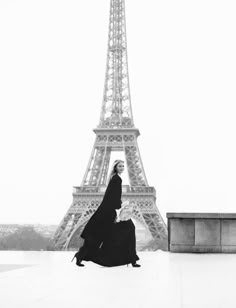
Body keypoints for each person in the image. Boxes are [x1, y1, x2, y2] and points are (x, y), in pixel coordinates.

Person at [71, 159, 124, 267]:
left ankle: (81, 254)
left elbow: (110, 195)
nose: (122, 168)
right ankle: (117, 257)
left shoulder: (114, 178)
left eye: (123, 166)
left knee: (95, 235)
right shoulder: (117, 179)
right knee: (103, 235)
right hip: (109, 211)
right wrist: (118, 208)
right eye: (120, 166)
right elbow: (114, 196)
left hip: (105, 209)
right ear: (115, 168)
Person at [91, 201, 141, 267]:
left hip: (124, 222)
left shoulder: (126, 208)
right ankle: (132, 260)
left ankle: (133, 260)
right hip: (119, 222)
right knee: (116, 241)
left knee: (129, 241)